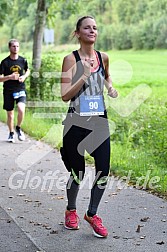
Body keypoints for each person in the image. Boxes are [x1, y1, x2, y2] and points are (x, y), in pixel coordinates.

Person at [60, 16, 118, 238]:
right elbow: (65, 95)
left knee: (103, 170)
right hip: (76, 124)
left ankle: (92, 214)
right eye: (87, 27)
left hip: (99, 123)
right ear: (78, 33)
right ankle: (71, 210)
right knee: (77, 173)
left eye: (95, 27)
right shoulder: (70, 60)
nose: (92, 30)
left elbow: (107, 78)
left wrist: (110, 88)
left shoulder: (103, 57)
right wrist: (82, 75)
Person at [0, 39, 30, 143]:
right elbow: (0, 78)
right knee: (10, 114)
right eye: (13, 46)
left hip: (20, 88)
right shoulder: (5, 62)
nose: (16, 48)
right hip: (8, 90)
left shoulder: (23, 60)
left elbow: (27, 70)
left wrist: (24, 77)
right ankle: (11, 133)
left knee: (21, 109)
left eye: (17, 46)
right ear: (9, 48)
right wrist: (9, 77)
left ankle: (18, 127)